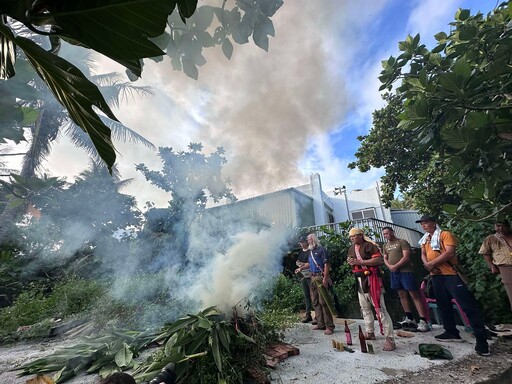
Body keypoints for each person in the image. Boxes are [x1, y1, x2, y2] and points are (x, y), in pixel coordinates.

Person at [417, 215, 490, 356]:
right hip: (436, 276)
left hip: (451, 274)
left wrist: (432, 263)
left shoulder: (445, 234)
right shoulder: (425, 239)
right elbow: (422, 253)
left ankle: (481, 339)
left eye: (426, 223)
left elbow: (450, 252)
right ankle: (451, 331)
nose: (423, 225)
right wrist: (428, 265)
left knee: (467, 305)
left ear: (434, 223)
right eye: (422, 223)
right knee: (443, 305)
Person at [347, 228, 396, 351]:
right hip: (360, 280)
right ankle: (370, 331)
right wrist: (351, 262)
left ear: (360, 236)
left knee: (380, 309)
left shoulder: (369, 246)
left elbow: (378, 260)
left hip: (372, 279)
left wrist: (360, 261)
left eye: (354, 236)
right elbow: (352, 261)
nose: (352, 238)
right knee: (365, 308)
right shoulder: (351, 248)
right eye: (351, 237)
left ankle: (389, 338)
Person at [382, 226, 429, 332]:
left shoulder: (402, 242)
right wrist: (390, 267)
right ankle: (409, 317)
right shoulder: (385, 245)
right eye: (384, 234)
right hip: (394, 273)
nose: (386, 236)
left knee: (414, 294)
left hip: (405, 271)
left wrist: (396, 266)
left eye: (387, 233)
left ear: (392, 232)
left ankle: (423, 320)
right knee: (401, 295)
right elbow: (385, 258)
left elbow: (406, 257)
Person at [296, 233, 335, 335]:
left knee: (324, 302)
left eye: (309, 240)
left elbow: (326, 265)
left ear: (313, 240)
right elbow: (309, 264)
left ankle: (329, 326)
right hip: (312, 276)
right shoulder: (311, 252)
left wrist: (325, 279)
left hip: (320, 276)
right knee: (315, 301)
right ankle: (320, 323)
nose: (307, 242)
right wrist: (301, 268)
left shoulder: (322, 250)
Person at [478, 217, 512, 310]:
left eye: (502, 226)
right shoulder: (491, 238)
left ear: (508, 226)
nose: (499, 228)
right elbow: (485, 252)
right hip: (505, 267)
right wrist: (492, 266)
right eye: (497, 226)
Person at [294, 236, 316, 324]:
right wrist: (299, 264)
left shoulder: (310, 251)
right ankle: (308, 314)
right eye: (300, 243)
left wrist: (303, 266)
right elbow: (298, 261)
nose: (302, 244)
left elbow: (311, 263)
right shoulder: (301, 252)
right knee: (306, 295)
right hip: (303, 275)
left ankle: (317, 315)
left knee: (313, 295)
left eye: (303, 242)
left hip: (311, 275)